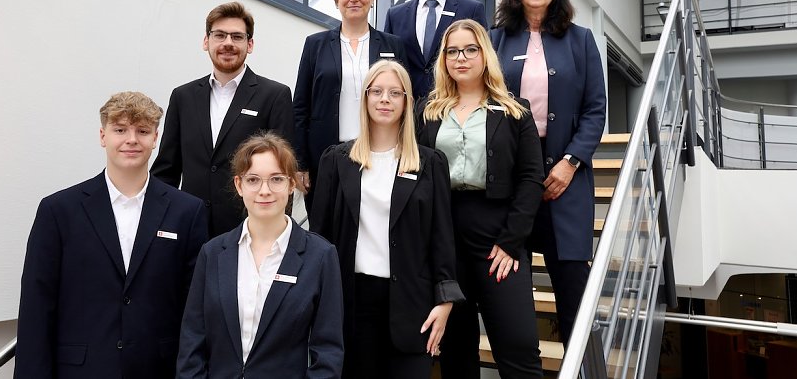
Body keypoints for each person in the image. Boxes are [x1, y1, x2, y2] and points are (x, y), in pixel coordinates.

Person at [15, 92, 208, 379]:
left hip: (158, 370)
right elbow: (36, 307)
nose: (132, 139)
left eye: (142, 131)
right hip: (81, 371)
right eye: (120, 130)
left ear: (155, 138)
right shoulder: (59, 211)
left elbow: (195, 308)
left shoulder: (187, 211)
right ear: (103, 136)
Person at [311, 60, 463, 379]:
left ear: (407, 102)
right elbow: (320, 238)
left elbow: (442, 238)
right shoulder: (336, 161)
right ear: (365, 98)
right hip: (352, 305)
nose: (385, 99)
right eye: (377, 91)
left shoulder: (430, 164)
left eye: (395, 93)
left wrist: (445, 301)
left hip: (413, 305)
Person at [416, 19, 545, 378]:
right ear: (443, 59)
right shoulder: (427, 111)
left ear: (485, 55)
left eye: (470, 50)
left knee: (518, 347)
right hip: (444, 237)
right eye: (452, 51)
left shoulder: (515, 110)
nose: (461, 58)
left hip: (498, 238)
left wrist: (512, 240)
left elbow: (531, 177)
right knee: (456, 352)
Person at [490, 0, 606, 347]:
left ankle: (580, 367)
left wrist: (571, 162)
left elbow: (595, 109)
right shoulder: (495, 39)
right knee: (511, 289)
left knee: (572, 286)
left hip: (565, 174)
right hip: (512, 173)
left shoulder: (580, 40)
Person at [177, 133, 344, 378]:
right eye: (253, 180)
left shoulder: (320, 256)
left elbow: (328, 353)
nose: (264, 191)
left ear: (291, 184)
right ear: (239, 185)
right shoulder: (212, 253)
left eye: (276, 179)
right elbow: (192, 341)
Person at [152, 1, 294, 238]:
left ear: (250, 44)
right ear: (206, 41)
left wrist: (275, 235)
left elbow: (283, 172)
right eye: (219, 35)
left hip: (248, 232)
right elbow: (167, 170)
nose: (228, 43)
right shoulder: (183, 97)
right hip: (189, 230)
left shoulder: (274, 96)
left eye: (237, 37)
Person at [293, 0, 407, 212]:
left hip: (381, 155)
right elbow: (300, 106)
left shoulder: (393, 45)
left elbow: (406, 102)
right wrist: (300, 163)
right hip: (326, 156)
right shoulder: (315, 45)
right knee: (325, 226)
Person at [384, 0, 487, 99]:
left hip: (455, 104)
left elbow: (484, 61)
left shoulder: (471, 10)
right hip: (408, 108)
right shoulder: (395, 16)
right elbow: (387, 66)